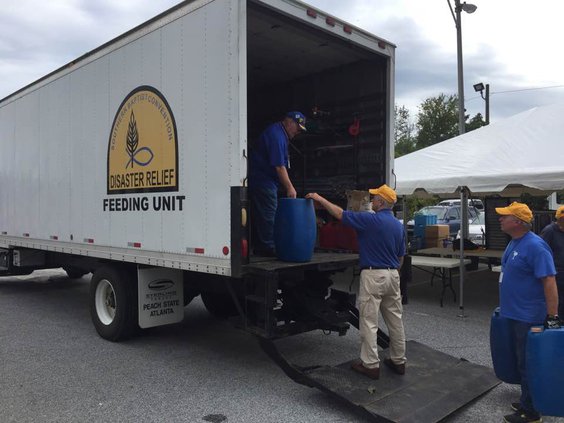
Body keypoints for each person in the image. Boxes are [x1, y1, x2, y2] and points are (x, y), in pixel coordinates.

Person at [306, 184, 406, 380]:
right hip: (393, 275)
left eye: (375, 198)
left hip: (373, 275)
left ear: (381, 202)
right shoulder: (398, 226)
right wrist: (393, 273)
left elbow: (339, 214)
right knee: (395, 320)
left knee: (369, 321)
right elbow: (401, 257)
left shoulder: (370, 221)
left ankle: (370, 365)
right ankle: (399, 360)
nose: (372, 201)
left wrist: (320, 198)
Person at [495, 202, 560, 423]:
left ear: (518, 222)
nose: (500, 219)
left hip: (529, 317)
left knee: (528, 363)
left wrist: (552, 317)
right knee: (520, 361)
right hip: (514, 314)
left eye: (505, 216)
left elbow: (549, 281)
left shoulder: (535, 246)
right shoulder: (515, 242)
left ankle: (531, 412)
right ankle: (527, 399)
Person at [249, 111, 306, 256]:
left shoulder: (279, 134)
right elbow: (279, 166)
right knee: (269, 214)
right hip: (263, 181)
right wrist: (290, 187)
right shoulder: (277, 136)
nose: (298, 132)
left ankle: (262, 245)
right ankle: (267, 248)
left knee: (263, 214)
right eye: (297, 128)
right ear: (288, 122)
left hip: (265, 180)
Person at [540, 205, 564, 317]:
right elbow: (541, 252)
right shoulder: (549, 231)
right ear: (559, 219)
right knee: (558, 304)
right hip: (556, 276)